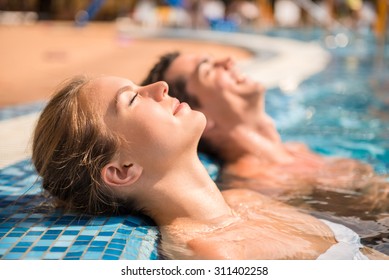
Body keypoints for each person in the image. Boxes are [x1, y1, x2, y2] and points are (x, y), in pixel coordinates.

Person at [31, 75, 388, 260]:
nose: (160, 87)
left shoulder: (247, 199)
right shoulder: (212, 253)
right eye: (133, 98)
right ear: (123, 169)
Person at [141, 52, 389, 204]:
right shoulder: (258, 185)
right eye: (207, 70)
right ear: (200, 117)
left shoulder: (295, 149)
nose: (228, 60)